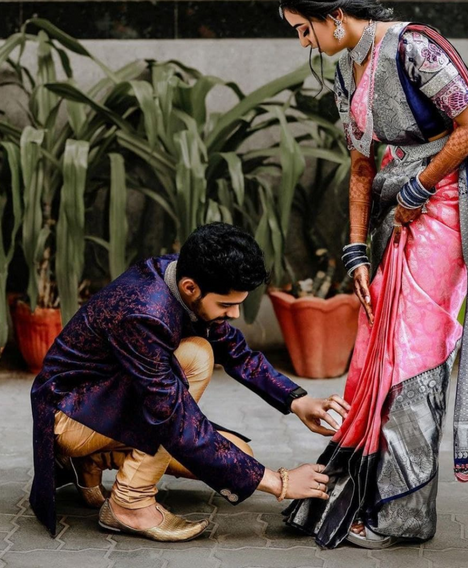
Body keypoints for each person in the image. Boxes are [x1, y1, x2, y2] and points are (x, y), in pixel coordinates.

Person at [278, 0, 468, 549]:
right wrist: (355, 250)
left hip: (446, 199)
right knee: (378, 343)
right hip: (398, 200)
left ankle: (406, 515)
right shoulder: (346, 68)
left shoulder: (414, 48)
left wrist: (420, 184)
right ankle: (375, 488)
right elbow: (360, 167)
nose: (304, 41)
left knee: (411, 350)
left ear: (332, 15)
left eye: (304, 29)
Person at [30, 222, 350, 542]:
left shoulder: (188, 273)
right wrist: (279, 483)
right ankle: (130, 502)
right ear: (190, 288)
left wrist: (298, 401)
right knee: (196, 356)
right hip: (67, 414)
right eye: (226, 305)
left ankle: (93, 460)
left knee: (241, 455)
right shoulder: (146, 312)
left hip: (106, 404)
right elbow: (171, 417)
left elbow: (236, 352)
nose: (236, 313)